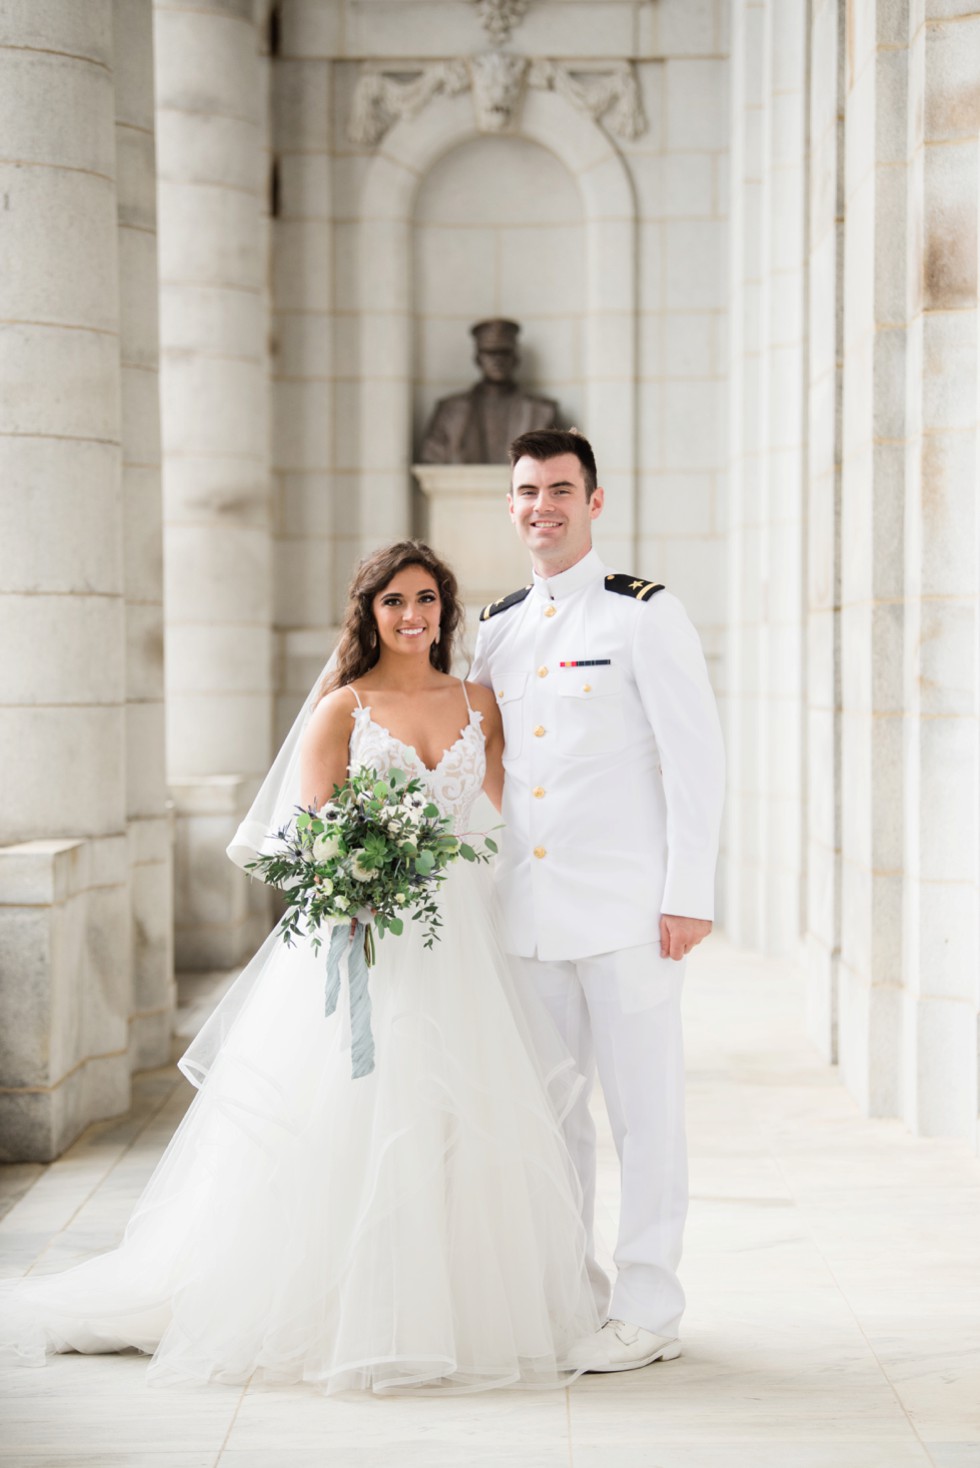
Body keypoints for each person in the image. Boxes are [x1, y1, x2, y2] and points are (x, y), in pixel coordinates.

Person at [0, 540, 600, 1394]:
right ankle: (351, 1306)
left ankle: (458, 1308)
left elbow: (511, 812)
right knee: (362, 1111)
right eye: (393, 602)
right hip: (368, 934)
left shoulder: (480, 701)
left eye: (426, 599)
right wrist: (359, 878)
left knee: (461, 1112)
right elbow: (309, 842)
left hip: (463, 929)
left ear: (446, 610)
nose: (411, 616)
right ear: (369, 614)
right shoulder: (341, 710)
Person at [470, 428, 725, 1371]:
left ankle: (649, 1308)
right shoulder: (494, 627)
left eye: (561, 490)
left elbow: (697, 760)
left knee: (644, 1113)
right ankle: (572, 1293)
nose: (544, 506)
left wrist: (688, 893)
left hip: (629, 914)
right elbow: (498, 768)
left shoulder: (642, 615)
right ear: (511, 504)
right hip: (529, 913)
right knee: (548, 1114)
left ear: (595, 502)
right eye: (528, 491)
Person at [419, 318, 559, 465]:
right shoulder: (449, 411)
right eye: (490, 352)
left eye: (504, 352)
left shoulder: (543, 411)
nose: (497, 360)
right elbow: (431, 460)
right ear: (478, 358)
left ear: (516, 358)